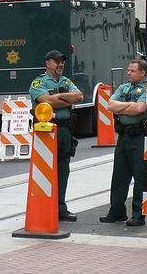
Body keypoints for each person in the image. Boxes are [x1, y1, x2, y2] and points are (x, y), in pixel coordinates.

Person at [29, 50, 84, 221]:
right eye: (57, 61)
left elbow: (80, 96)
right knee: (45, 171)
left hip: (65, 132)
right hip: (47, 132)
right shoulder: (39, 83)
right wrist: (66, 100)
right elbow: (48, 101)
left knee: (63, 170)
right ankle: (45, 208)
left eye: (62, 62)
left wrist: (58, 96)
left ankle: (61, 207)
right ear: (48, 63)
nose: (61, 64)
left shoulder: (66, 81)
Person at [99, 59, 147, 227]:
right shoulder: (124, 87)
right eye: (129, 70)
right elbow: (109, 105)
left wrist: (123, 107)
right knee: (119, 175)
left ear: (142, 73)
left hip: (140, 137)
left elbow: (139, 109)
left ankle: (138, 214)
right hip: (123, 136)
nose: (128, 73)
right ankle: (117, 212)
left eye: (132, 71)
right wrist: (130, 106)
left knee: (141, 177)